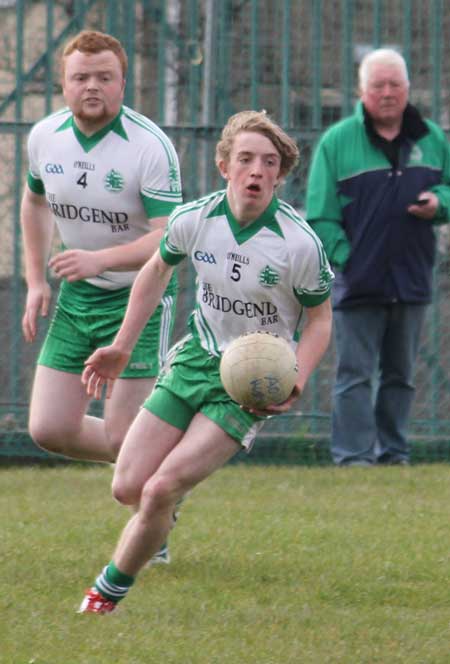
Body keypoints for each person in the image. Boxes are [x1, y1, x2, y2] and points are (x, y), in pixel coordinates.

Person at [77, 110, 334, 613]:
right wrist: (122, 345)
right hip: (195, 360)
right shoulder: (194, 219)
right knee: (127, 486)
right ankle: (163, 514)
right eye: (245, 159)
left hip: (248, 383)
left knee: (157, 490)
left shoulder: (299, 243)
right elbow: (154, 272)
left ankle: (105, 595)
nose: (256, 170)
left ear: (280, 175)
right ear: (224, 165)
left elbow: (321, 320)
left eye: (269, 162)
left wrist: (295, 376)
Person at [21, 30, 182, 561]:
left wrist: (99, 259)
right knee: (49, 428)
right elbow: (35, 202)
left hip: (137, 297)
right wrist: (36, 281)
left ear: (123, 81)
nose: (92, 87)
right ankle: (163, 460)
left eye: (104, 77)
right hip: (76, 299)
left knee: (122, 439)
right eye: (80, 77)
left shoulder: (149, 146)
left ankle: (153, 517)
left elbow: (168, 240)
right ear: (63, 83)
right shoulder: (44, 137)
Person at [306, 48, 450, 467]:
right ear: (361, 91)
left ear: (407, 89)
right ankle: (353, 456)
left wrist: (438, 203)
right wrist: (347, 259)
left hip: (412, 277)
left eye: (395, 85)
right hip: (358, 281)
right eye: (378, 86)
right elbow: (321, 214)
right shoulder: (337, 143)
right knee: (354, 374)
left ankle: (394, 452)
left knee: (400, 376)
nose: (387, 93)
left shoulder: (433, 140)